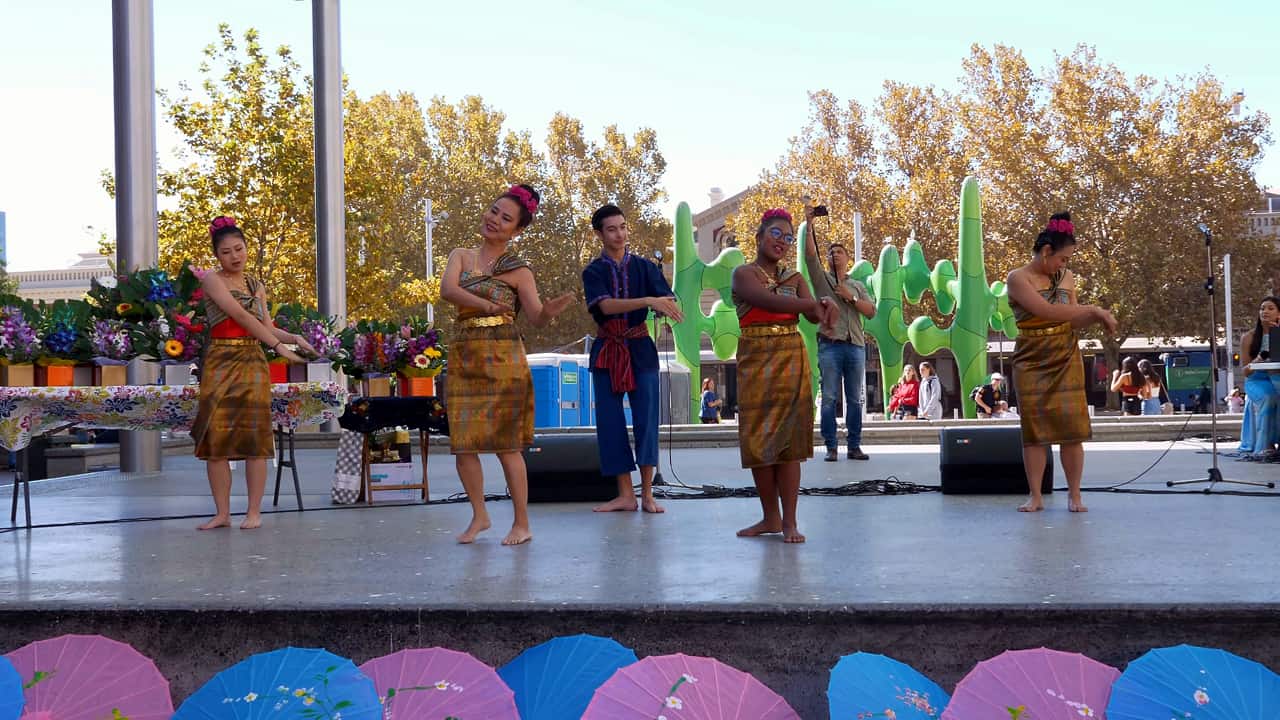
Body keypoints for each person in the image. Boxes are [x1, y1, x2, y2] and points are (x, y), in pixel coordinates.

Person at [440, 184, 576, 545]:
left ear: (516, 230)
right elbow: (448, 290)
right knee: (463, 442)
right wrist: (486, 306)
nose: (494, 220)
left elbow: (535, 317)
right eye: (493, 211)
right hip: (466, 351)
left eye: (505, 218)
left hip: (503, 356)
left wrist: (548, 310)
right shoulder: (461, 256)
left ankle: (521, 523)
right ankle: (479, 515)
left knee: (507, 444)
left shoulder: (519, 271)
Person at [192, 216, 312, 530]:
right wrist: (277, 347)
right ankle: (222, 513)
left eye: (239, 249)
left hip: (252, 360)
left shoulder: (255, 284)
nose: (235, 256)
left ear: (247, 249)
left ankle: (253, 512)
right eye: (227, 252)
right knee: (216, 439)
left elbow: (265, 325)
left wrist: (294, 339)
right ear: (217, 256)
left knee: (255, 438)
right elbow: (239, 316)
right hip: (220, 358)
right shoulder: (211, 280)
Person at [731, 208, 834, 543]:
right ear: (759, 236)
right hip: (755, 355)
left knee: (790, 443)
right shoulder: (743, 274)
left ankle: (789, 521)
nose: (782, 242)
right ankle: (769, 518)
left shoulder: (796, 278)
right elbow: (765, 300)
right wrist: (810, 306)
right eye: (776, 234)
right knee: (759, 440)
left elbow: (816, 319)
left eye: (788, 237)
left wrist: (825, 307)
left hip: (791, 356)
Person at [1005, 212, 1117, 513]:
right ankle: (1037, 495)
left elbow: (1072, 316)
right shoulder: (1018, 278)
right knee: (1035, 430)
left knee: (1072, 427)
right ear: (1045, 252)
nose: (1064, 265)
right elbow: (1046, 311)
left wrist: (1095, 316)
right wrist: (1095, 310)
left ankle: (1075, 495)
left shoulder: (1066, 278)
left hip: (1065, 351)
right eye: (1063, 258)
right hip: (1031, 354)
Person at [582, 203, 684, 514]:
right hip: (608, 349)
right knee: (610, 423)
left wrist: (664, 305)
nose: (620, 234)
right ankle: (626, 494)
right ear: (599, 234)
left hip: (640, 348)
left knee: (647, 419)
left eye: (623, 227)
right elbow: (606, 306)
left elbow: (667, 297)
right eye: (612, 229)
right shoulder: (593, 271)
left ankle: (649, 494)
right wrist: (649, 299)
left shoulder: (645, 267)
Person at [801, 206, 876, 461]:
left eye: (839, 252)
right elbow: (811, 256)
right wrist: (809, 225)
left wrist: (851, 298)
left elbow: (871, 312)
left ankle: (854, 446)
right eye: (831, 252)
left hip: (855, 345)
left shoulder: (856, 285)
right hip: (830, 345)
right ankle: (831, 447)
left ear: (847, 259)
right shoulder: (822, 279)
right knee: (830, 396)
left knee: (855, 399)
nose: (834, 255)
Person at [1237, 296, 1280, 459]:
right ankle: (1265, 445)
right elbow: (1246, 371)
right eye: (1262, 308)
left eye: (1270, 308)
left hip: (1277, 377)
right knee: (1269, 397)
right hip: (1257, 380)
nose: (1265, 312)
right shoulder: (1249, 337)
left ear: (1279, 314)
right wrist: (1260, 358)